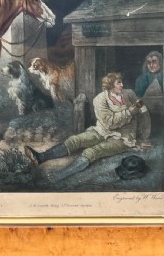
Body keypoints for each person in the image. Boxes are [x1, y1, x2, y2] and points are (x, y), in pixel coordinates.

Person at [24, 72, 152, 182]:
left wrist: (143, 135)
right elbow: (109, 123)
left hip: (123, 138)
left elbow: (144, 112)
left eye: (121, 82)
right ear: (110, 85)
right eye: (119, 83)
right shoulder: (99, 99)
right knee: (75, 140)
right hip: (102, 130)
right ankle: (41, 157)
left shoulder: (129, 94)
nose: (122, 85)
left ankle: (59, 175)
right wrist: (129, 112)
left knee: (92, 152)